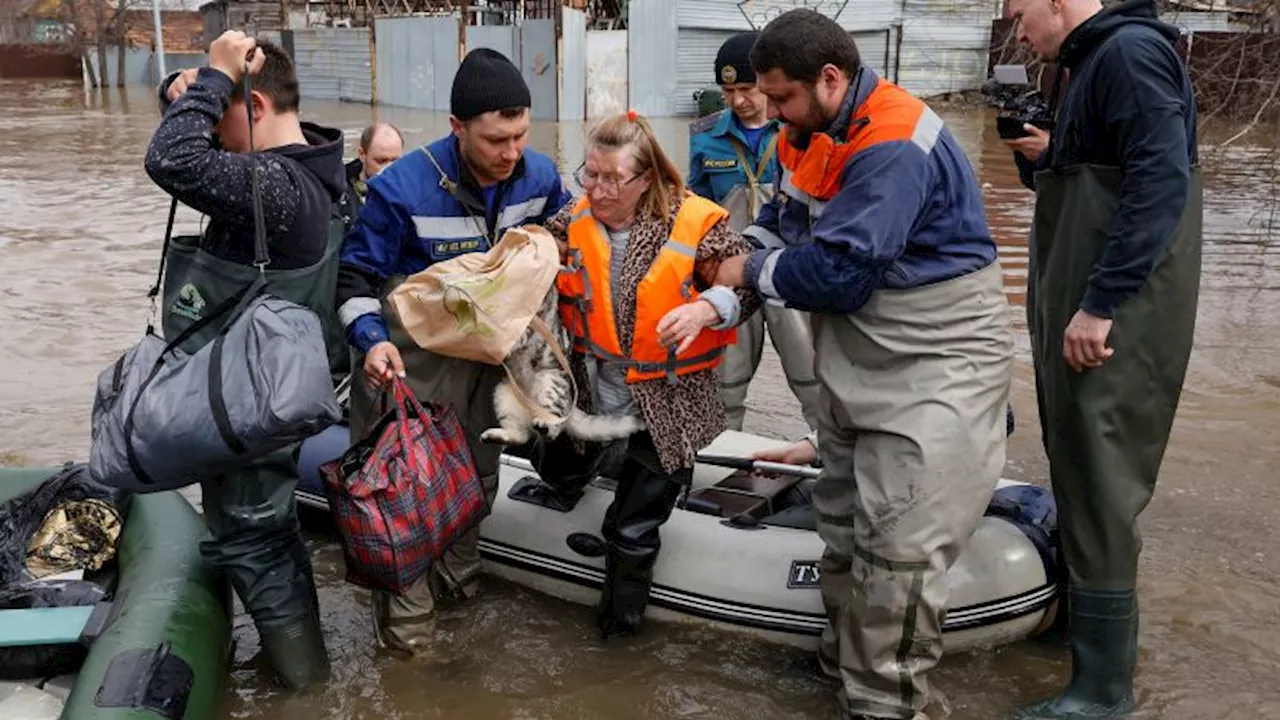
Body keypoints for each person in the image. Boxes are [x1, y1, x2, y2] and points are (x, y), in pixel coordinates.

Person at [713, 9, 1014, 718]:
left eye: (782, 97)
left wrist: (748, 272)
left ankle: (888, 705)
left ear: (830, 77)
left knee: (898, 554)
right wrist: (728, 289)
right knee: (843, 531)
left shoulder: (894, 144)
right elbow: (785, 223)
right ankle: (840, 677)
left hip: (935, 362)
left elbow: (841, 274)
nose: (772, 112)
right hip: (863, 360)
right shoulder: (812, 128)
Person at [335, 47, 573, 656]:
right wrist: (372, 342)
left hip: (487, 364)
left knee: (477, 479)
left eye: (519, 136)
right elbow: (353, 280)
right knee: (401, 496)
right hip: (408, 365)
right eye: (495, 140)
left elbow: (567, 233)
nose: (510, 153)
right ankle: (411, 647)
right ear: (456, 129)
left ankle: (460, 600)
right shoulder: (399, 188)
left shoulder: (539, 177)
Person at [1001, 1, 1201, 717]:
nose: (1019, 32)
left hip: (1115, 312)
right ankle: (1081, 634)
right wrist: (1045, 158)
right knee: (1078, 463)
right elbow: (1097, 180)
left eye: (1022, 13)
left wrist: (1101, 303)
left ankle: (1104, 691)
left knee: (1105, 473)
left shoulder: (1130, 54)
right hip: (1078, 301)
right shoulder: (1083, 64)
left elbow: (1160, 182)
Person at [144, 31, 347, 689]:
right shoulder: (306, 159)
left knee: (257, 540)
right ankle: (295, 671)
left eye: (222, 114)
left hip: (250, 407)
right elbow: (183, 122)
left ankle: (309, 688)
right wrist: (194, 84)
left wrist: (212, 80)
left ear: (255, 106)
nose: (212, 134)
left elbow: (170, 155)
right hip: (255, 394)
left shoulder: (275, 188)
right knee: (265, 533)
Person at [539, 109, 761, 639]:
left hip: (667, 401)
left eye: (613, 177)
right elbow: (532, 251)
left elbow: (748, 285)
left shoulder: (695, 224)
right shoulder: (574, 217)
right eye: (590, 173)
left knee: (632, 528)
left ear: (648, 179)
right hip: (592, 389)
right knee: (557, 470)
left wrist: (710, 307)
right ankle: (571, 483)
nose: (598, 187)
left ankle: (618, 635)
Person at [688, 31, 823, 434]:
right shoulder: (704, 135)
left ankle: (831, 456)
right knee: (724, 380)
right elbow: (693, 207)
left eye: (746, 88)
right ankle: (720, 458)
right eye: (728, 90)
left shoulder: (799, 130)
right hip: (729, 274)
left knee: (812, 373)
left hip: (788, 267)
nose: (738, 100)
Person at [337, 122, 405, 230]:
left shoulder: (412, 193)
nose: (388, 169)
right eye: (381, 161)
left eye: (395, 161)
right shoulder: (337, 192)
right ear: (362, 154)